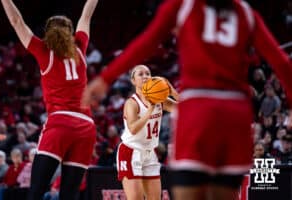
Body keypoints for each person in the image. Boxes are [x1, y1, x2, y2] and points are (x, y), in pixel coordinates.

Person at [81, 0, 292, 199]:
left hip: (198, 107)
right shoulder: (245, 12)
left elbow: (146, 42)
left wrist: (105, 79)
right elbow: (282, 63)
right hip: (235, 112)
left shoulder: (184, 5)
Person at [1, 0, 98, 199]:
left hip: (60, 122)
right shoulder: (80, 46)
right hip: (86, 127)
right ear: (71, 32)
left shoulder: (44, 51)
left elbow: (16, 21)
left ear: (48, 32)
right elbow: (86, 15)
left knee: (36, 190)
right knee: (69, 195)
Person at [117, 65, 178, 200]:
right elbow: (133, 129)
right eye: (140, 74)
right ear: (133, 81)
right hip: (131, 152)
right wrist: (149, 111)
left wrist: (172, 92)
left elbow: (186, 109)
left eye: (148, 73)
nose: (145, 76)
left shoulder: (160, 99)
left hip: (150, 152)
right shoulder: (131, 103)